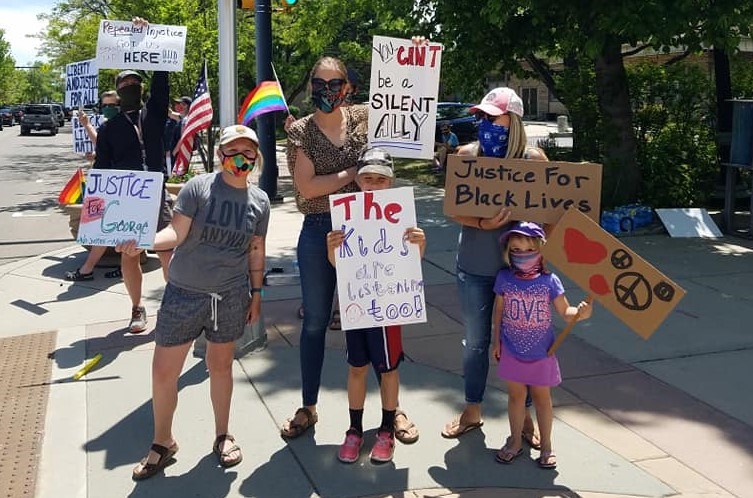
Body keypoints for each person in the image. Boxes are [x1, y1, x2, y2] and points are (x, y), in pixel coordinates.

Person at [120, 124, 270, 480]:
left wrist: (257, 292)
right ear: (220, 154)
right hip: (184, 294)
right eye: (234, 150)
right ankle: (162, 441)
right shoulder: (198, 188)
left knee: (220, 367)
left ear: (257, 155)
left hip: (231, 296)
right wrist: (144, 241)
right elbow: (176, 232)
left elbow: (256, 249)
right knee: (163, 372)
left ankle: (222, 435)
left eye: (249, 151)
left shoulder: (260, 201)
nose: (242, 157)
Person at [281, 56, 418, 444]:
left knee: (378, 318)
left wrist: (414, 57)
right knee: (314, 321)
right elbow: (307, 188)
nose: (327, 90)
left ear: (347, 85)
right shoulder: (302, 132)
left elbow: (406, 102)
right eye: (319, 83)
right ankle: (308, 405)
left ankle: (392, 411)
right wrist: (351, 175)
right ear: (311, 86)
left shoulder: (364, 117)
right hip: (321, 229)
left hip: (371, 228)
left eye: (335, 82)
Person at [442, 87, 548, 443]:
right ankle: (473, 409)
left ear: (513, 122)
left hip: (521, 273)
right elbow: (454, 209)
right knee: (475, 341)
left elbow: (553, 214)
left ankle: (527, 416)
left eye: (493, 117)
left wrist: (535, 238)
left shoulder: (534, 161)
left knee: (525, 343)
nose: (485, 123)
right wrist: (482, 224)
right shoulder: (466, 156)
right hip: (474, 266)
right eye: (481, 117)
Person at [325, 148, 425, 464]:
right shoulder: (346, 215)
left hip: (389, 305)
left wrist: (419, 244)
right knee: (356, 367)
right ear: (357, 181)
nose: (372, 184)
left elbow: (412, 262)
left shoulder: (401, 215)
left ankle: (386, 429)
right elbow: (338, 264)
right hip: (358, 304)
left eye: (380, 179)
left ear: (390, 182)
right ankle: (354, 429)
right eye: (367, 178)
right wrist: (332, 248)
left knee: (389, 368)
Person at [93, 17, 173, 333]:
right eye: (124, 84)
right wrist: (98, 207)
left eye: (135, 83)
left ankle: (174, 305)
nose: (131, 87)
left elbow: (161, 80)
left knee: (169, 252)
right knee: (131, 255)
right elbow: (101, 169)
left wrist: (148, 38)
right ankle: (137, 309)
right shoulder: (109, 128)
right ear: (117, 90)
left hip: (156, 191)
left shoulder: (153, 114)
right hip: (126, 200)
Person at [491, 221, 592, 468]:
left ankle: (546, 446)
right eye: (515, 250)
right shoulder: (504, 277)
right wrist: (496, 340)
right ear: (508, 252)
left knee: (542, 400)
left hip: (543, 352)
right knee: (515, 397)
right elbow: (499, 310)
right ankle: (515, 441)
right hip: (511, 349)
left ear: (540, 250)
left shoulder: (550, 281)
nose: (522, 255)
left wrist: (580, 313)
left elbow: (565, 311)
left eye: (528, 250)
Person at [64, 90, 121, 282]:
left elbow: (113, 150)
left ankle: (88, 269)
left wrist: (87, 126)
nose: (108, 109)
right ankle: (121, 265)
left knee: (103, 226)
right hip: (108, 183)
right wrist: (98, 154)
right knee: (106, 226)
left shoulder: (125, 125)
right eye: (104, 105)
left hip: (116, 184)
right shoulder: (111, 125)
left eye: (112, 105)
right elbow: (106, 147)